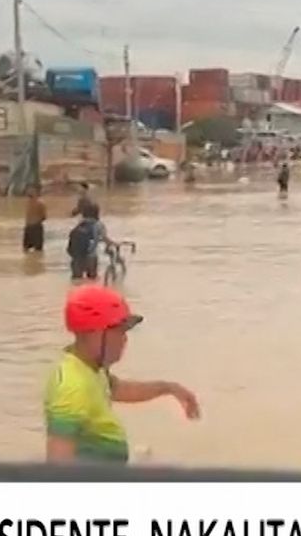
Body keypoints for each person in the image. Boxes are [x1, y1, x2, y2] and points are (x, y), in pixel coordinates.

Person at [44, 284, 200, 464]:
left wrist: (169, 388)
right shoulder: (72, 386)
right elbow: (58, 464)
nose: (125, 340)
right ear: (95, 332)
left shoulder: (88, 369)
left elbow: (120, 389)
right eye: (119, 332)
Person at [66, 204, 108, 282]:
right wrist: (113, 244)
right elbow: (105, 238)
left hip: (76, 256)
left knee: (76, 281)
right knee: (92, 281)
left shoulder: (80, 223)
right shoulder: (98, 224)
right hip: (90, 256)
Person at [22, 185, 48, 254]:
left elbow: (44, 216)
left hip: (34, 227)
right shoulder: (28, 202)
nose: (29, 192)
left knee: (37, 249)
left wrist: (36, 221)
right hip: (29, 227)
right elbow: (44, 217)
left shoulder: (40, 203)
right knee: (27, 249)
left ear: (36, 193)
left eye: (31, 191)